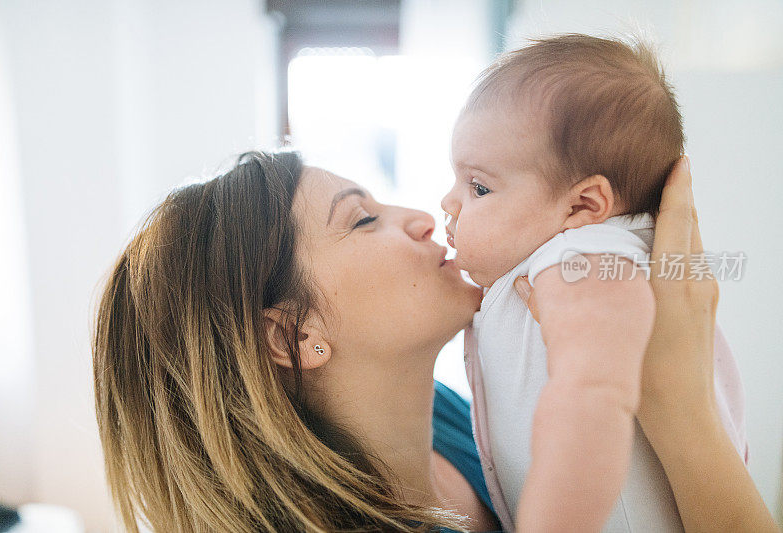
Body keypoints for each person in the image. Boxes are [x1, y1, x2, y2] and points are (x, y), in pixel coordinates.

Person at [92, 150, 778, 532]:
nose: (423, 217)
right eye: (362, 220)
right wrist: (681, 400)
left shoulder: (452, 415)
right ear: (293, 332)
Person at [440, 34, 747, 532]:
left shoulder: (579, 257)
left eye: (478, 186)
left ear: (584, 206)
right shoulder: (570, 254)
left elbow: (592, 396)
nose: (448, 203)